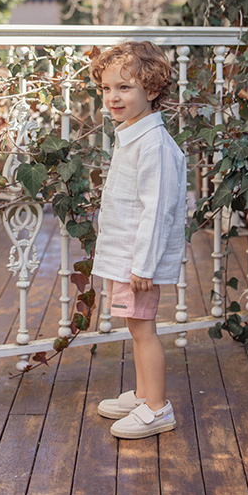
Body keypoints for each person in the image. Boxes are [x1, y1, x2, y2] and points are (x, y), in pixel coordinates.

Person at [89, 41, 187, 439]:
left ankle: (157, 408)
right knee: (135, 325)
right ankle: (144, 394)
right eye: (107, 88)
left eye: (125, 88)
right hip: (129, 258)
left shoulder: (154, 145)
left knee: (143, 329)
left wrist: (143, 266)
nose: (113, 97)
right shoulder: (132, 135)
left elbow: (158, 209)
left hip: (138, 262)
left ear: (152, 90)